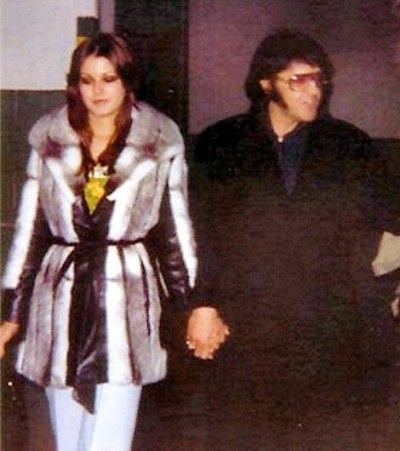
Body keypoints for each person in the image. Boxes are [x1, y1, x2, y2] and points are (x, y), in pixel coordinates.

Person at [0, 33, 229, 451]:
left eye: (109, 78)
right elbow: (30, 229)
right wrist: (12, 312)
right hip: (60, 303)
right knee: (69, 442)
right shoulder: (48, 138)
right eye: (87, 80)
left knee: (109, 441)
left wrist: (196, 305)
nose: (98, 91)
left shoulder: (159, 139)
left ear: (126, 81)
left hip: (125, 302)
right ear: (75, 84)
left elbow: (174, 231)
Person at [191, 29, 400, 414]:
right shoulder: (220, 144)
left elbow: (390, 214)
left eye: (318, 79)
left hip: (332, 329)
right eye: (298, 81)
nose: (313, 91)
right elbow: (203, 234)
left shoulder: (349, 146)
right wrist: (203, 305)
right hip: (247, 327)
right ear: (266, 83)